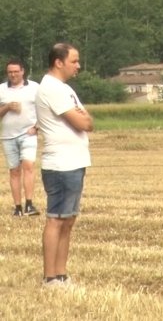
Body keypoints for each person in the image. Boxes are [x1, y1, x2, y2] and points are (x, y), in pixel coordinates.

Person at [35, 43, 93, 288]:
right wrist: (85, 119)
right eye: (74, 61)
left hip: (75, 161)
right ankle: (50, 277)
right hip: (61, 165)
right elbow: (83, 123)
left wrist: (85, 119)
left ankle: (61, 274)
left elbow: (87, 119)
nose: (78, 65)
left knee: (68, 220)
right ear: (58, 62)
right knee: (56, 219)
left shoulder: (65, 88)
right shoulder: (51, 88)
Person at [0, 59, 41, 217]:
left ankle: (29, 205)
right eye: (10, 72)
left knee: (28, 166)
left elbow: (44, 109)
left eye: (16, 71)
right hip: (8, 136)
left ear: (23, 71)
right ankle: (17, 207)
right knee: (14, 171)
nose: (13, 74)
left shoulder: (35, 88)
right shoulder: (1, 89)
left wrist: (36, 127)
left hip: (28, 134)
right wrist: (7, 107)